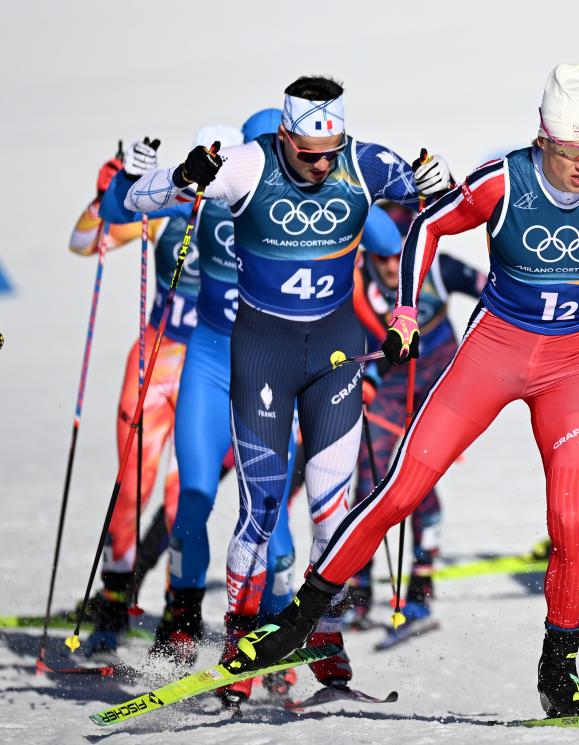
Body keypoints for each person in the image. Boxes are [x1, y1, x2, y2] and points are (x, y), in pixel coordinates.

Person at [226, 63, 579, 718]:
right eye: (571, 151)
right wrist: (403, 312)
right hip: (493, 354)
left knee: (569, 517)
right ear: (543, 139)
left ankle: (558, 671)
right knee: (401, 490)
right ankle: (297, 622)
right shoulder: (503, 180)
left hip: (570, 368)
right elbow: (428, 227)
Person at [125, 75, 452, 708]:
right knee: (262, 512)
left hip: (335, 355)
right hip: (263, 356)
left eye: (331, 152)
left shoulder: (366, 162)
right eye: (308, 153)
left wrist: (437, 183)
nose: (322, 165)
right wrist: (184, 177)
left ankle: (323, 632)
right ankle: (240, 640)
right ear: (284, 136)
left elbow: (453, 208)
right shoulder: (247, 166)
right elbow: (140, 199)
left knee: (333, 513)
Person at [153, 114, 301, 677]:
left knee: (270, 515)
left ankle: (276, 628)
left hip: (268, 374)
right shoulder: (218, 195)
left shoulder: (308, 211)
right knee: (193, 497)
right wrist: (128, 178)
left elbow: (383, 232)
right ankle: (181, 619)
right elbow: (125, 210)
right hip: (210, 365)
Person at [69, 137, 205, 654]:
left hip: (211, 367)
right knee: (131, 487)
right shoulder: (173, 202)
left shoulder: (252, 212)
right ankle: (112, 602)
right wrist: (107, 195)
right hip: (156, 357)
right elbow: (85, 242)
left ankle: (179, 615)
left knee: (185, 496)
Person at [343, 203, 485, 635]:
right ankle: (357, 590)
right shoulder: (356, 275)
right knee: (368, 478)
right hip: (388, 384)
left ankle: (420, 590)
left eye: (398, 256)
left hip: (439, 384)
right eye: (381, 258)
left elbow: (494, 289)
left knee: (417, 479)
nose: (391, 267)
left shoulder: (438, 266)